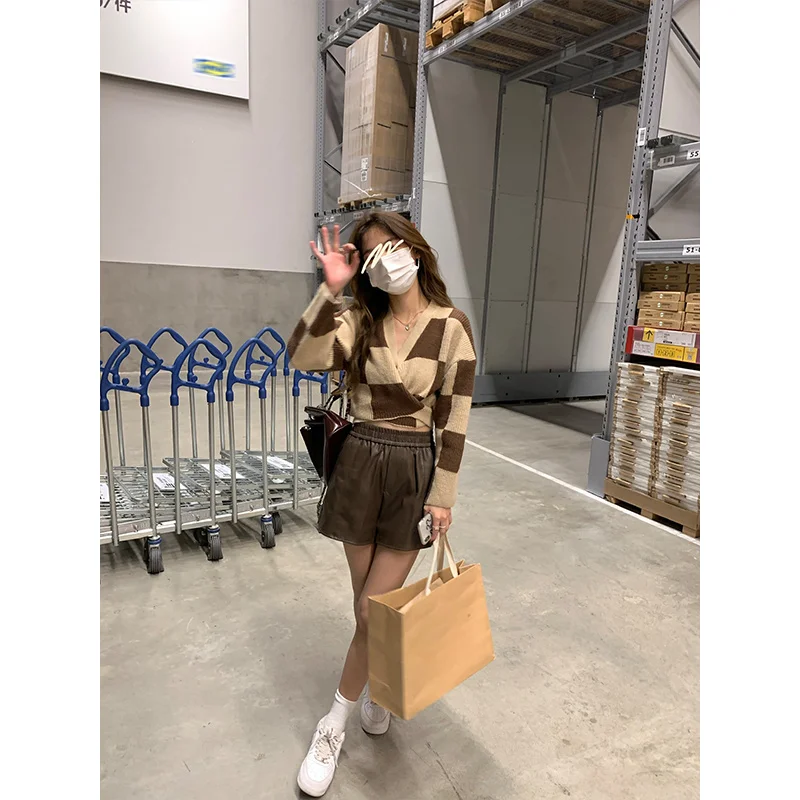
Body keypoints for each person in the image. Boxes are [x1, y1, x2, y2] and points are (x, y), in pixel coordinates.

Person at [288, 211, 476, 798]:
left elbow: (455, 419)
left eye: (391, 246)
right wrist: (331, 290)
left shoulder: (451, 327)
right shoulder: (359, 319)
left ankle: (332, 723)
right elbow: (303, 356)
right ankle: (375, 686)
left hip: (413, 469)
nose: (384, 260)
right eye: (371, 255)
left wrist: (443, 496)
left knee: (373, 612)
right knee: (367, 605)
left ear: (414, 248)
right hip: (360, 464)